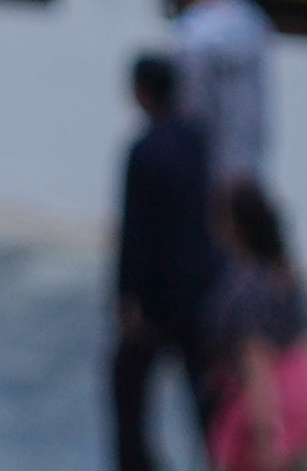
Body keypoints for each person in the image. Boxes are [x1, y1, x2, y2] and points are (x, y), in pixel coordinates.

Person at [112, 52, 221, 471]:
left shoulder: (145, 150)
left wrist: (128, 296)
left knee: (128, 386)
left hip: (159, 297)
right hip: (198, 289)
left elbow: (136, 233)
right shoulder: (196, 137)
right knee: (202, 391)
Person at [204, 177, 307, 471]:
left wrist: (266, 437)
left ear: (235, 226)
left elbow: (256, 363)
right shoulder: (284, 276)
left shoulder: (243, 290)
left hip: (280, 413)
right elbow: (306, 344)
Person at [165, 0, 276, 197]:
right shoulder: (250, 19)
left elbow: (190, 105)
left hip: (206, 164)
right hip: (248, 160)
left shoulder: (195, 32)